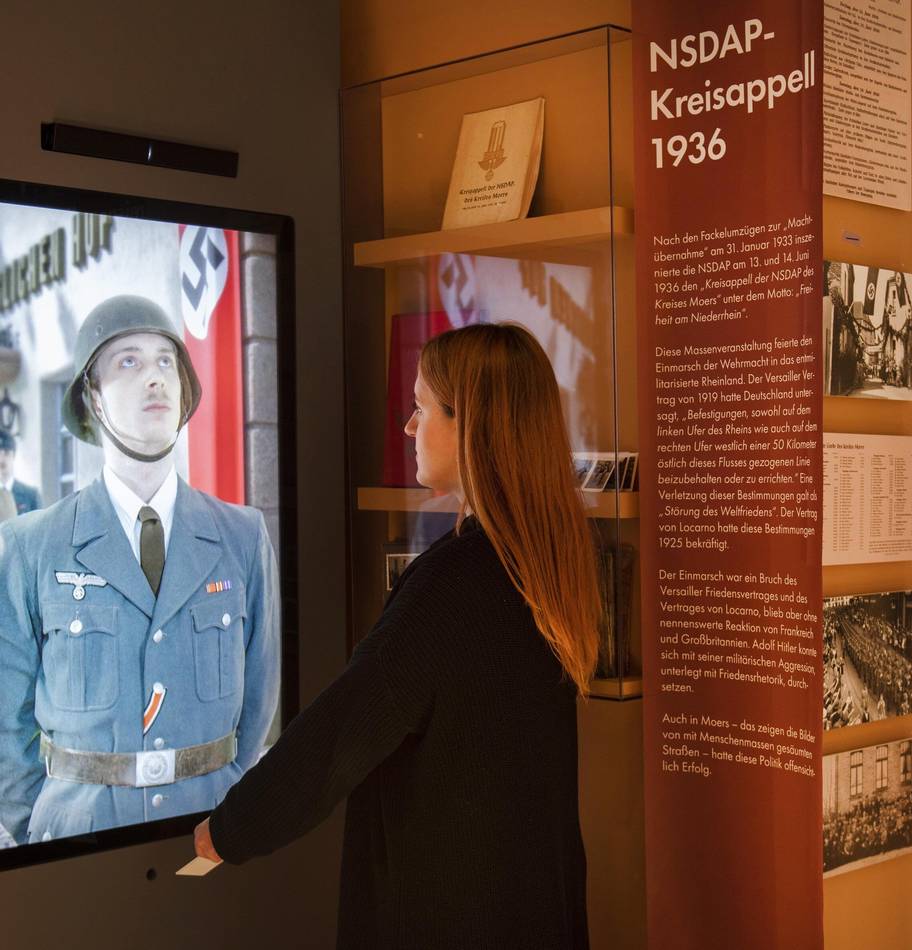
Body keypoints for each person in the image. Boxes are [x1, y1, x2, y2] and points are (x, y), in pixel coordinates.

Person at [194, 323, 600, 950]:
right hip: (538, 909)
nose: (409, 427)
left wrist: (230, 829)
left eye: (421, 408)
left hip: (452, 914)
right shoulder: (550, 562)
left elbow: (341, 733)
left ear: (472, 428)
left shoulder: (450, 583)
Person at [0, 295, 279, 845]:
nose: (154, 377)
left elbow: (259, 705)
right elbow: (6, 725)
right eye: (128, 361)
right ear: (93, 398)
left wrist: (226, 804)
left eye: (165, 361)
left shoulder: (241, 536)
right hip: (77, 841)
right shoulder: (32, 545)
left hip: (210, 832)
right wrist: (47, 825)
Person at [0, 429, 41, 519]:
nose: (2, 459)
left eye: (6, 453)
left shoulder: (31, 495)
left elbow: (39, 529)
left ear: (13, 456)